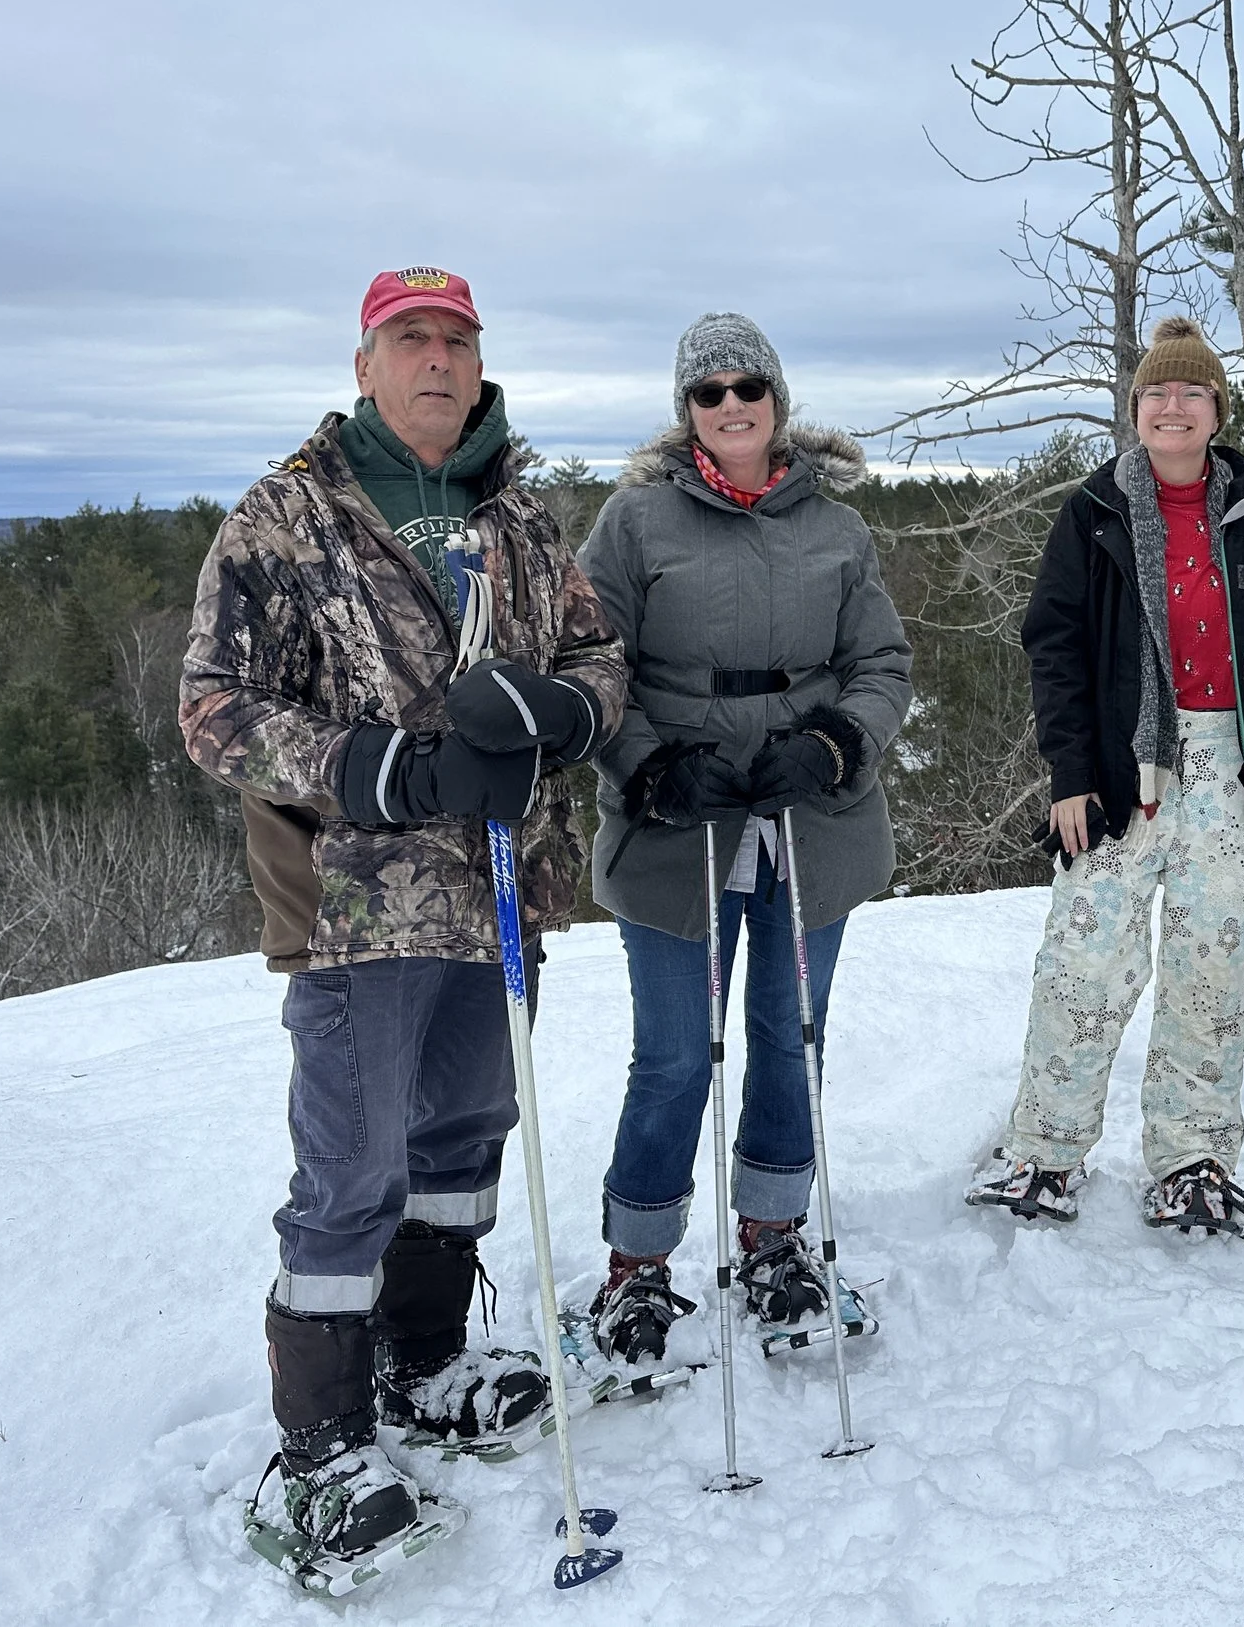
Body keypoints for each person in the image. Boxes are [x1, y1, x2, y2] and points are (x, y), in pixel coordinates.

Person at [180, 265, 628, 1563]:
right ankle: (317, 1443)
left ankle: (424, 1359)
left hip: (503, 883)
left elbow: (598, 657)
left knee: (468, 1132)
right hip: (353, 901)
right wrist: (385, 767)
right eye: (409, 339)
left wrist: (567, 711)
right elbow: (213, 708)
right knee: (353, 1162)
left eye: (456, 340)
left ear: (480, 365)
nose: (436, 359)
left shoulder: (523, 518)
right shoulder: (286, 516)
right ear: (366, 362)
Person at [966, 317, 1244, 1239]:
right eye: (1157, 392)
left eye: (1191, 392)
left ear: (1215, 409)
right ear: (1137, 409)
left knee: (1213, 965)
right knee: (1085, 964)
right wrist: (1071, 770)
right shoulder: (1096, 510)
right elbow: (1056, 644)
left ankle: (1192, 1159)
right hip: (1123, 769)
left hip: (1233, 766)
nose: (1172, 405)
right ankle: (1045, 1150)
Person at [573, 311, 912, 1364]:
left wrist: (839, 743)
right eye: (707, 392)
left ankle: (773, 1236)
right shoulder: (633, 523)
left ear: (777, 399)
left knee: (787, 1033)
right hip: (684, 815)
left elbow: (882, 662)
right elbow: (588, 660)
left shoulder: (836, 528)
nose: (730, 406)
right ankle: (638, 1264)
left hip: (811, 813)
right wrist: (650, 764)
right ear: (686, 412)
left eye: (746, 387)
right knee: (674, 1056)